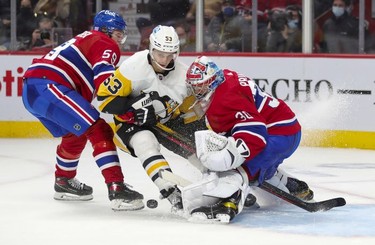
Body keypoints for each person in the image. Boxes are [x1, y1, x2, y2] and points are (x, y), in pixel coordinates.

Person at [22, 10, 144, 211]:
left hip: (33, 90)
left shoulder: (87, 39)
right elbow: (105, 82)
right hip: (49, 85)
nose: (119, 39)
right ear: (107, 31)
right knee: (99, 130)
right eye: (118, 34)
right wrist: (125, 111)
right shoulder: (105, 42)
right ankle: (117, 188)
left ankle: (64, 181)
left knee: (76, 133)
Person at [183, 56, 314, 223]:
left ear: (212, 82)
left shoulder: (224, 100)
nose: (196, 91)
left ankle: (229, 202)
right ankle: (293, 187)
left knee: (238, 169)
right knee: (257, 171)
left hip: (278, 135)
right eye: (194, 86)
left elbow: (256, 134)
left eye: (200, 86)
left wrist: (232, 157)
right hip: (286, 129)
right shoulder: (225, 77)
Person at [96, 25, 203, 212]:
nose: (165, 60)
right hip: (133, 123)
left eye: (170, 55)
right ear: (151, 49)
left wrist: (200, 141)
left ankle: (225, 183)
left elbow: (191, 115)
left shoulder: (184, 76)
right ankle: (170, 190)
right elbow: (104, 100)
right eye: (160, 54)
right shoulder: (132, 67)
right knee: (145, 143)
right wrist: (132, 110)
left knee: (198, 150)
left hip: (168, 122)